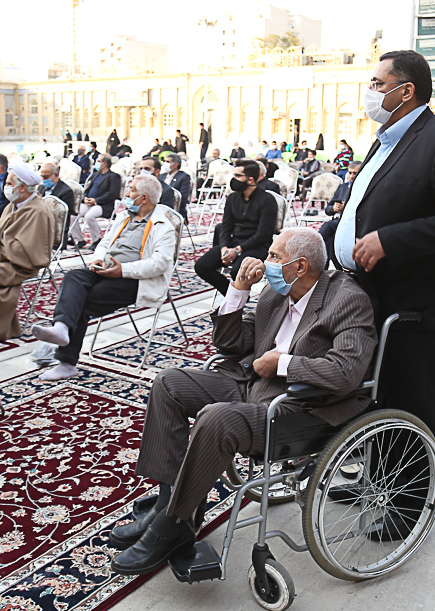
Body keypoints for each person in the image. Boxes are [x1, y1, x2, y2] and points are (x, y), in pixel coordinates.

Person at [109, 229, 376, 573]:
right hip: (253, 385)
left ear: (300, 266)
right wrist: (238, 290)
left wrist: (282, 363)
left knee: (216, 418)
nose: (265, 263)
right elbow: (229, 343)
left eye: (274, 257)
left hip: (300, 408)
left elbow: (346, 372)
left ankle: (173, 526)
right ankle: (170, 503)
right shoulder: (275, 293)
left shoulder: (346, 299)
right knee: (169, 383)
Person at [334, 50, 435, 482]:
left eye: (378, 84)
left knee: (410, 400)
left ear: (406, 91)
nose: (370, 92)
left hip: (413, 301)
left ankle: (410, 500)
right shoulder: (385, 140)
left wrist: (390, 240)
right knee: (378, 397)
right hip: (369, 293)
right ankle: (376, 481)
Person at [33, 174, 177, 381]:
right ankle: (61, 328)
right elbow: (105, 243)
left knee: (82, 302)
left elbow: (159, 264)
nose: (127, 194)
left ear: (144, 198)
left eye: (132, 190)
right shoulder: (124, 217)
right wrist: (98, 259)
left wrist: (122, 270)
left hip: (134, 279)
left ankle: (66, 362)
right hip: (106, 269)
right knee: (73, 277)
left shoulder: (163, 226)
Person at [0, 166, 54, 342]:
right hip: (4, 257)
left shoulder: (37, 210)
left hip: (21, 264)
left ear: (21, 187)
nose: (5, 187)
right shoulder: (13, 205)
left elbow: (29, 249)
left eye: (9, 184)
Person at [194, 161, 277, 295]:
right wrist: (224, 248)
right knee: (201, 266)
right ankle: (231, 294)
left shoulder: (267, 200)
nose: (234, 179)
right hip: (235, 243)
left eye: (238, 176)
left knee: (237, 271)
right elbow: (225, 227)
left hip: (257, 247)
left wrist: (238, 250)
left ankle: (237, 296)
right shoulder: (232, 198)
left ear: (250, 180)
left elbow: (263, 234)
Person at [71, 154, 121, 248]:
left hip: (102, 205)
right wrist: (85, 198)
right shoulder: (95, 175)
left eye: (98, 161)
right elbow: (86, 190)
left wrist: (96, 200)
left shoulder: (113, 176)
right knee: (72, 215)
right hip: (89, 203)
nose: (96, 163)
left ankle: (96, 240)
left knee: (89, 216)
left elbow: (112, 194)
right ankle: (79, 239)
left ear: (105, 163)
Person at [319, 166, 358, 266]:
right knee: (328, 238)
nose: (351, 176)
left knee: (327, 227)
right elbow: (328, 210)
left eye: (354, 173)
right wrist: (334, 208)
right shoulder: (342, 187)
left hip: (353, 221)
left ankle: (316, 250)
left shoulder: (364, 188)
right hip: (339, 221)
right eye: (350, 173)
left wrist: (346, 208)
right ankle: (324, 267)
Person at [159, 153, 192, 220]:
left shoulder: (184, 177)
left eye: (168, 162)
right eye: (165, 161)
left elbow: (183, 197)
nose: (165, 164)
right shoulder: (161, 176)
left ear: (175, 164)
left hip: (173, 208)